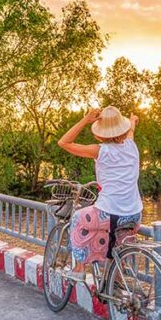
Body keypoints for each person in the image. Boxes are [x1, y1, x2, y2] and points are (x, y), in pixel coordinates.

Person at [57, 106, 142, 276]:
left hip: (109, 214)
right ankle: (115, 286)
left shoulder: (100, 151)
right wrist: (132, 121)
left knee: (78, 218)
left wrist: (85, 120)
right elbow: (130, 131)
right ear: (123, 129)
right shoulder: (131, 146)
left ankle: (79, 268)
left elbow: (64, 143)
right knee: (117, 248)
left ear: (100, 133)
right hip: (134, 214)